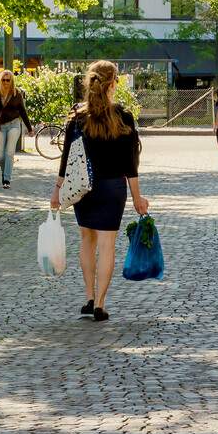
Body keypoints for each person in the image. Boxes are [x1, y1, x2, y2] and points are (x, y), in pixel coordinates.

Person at [49, 60, 147, 323]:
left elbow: (66, 160)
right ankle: (101, 305)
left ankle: (89, 297)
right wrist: (137, 197)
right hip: (113, 188)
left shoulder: (77, 118)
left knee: (86, 241)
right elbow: (131, 163)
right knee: (106, 245)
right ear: (113, 83)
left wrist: (57, 191)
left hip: (84, 189)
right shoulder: (124, 117)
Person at [0, 69, 31, 189]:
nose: (6, 82)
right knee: (0, 156)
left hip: (14, 125)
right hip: (0, 126)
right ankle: (5, 173)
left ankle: (6, 179)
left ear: (12, 81)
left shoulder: (17, 94)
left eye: (8, 80)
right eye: (3, 80)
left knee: (9, 153)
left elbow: (23, 111)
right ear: (0, 80)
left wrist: (30, 128)